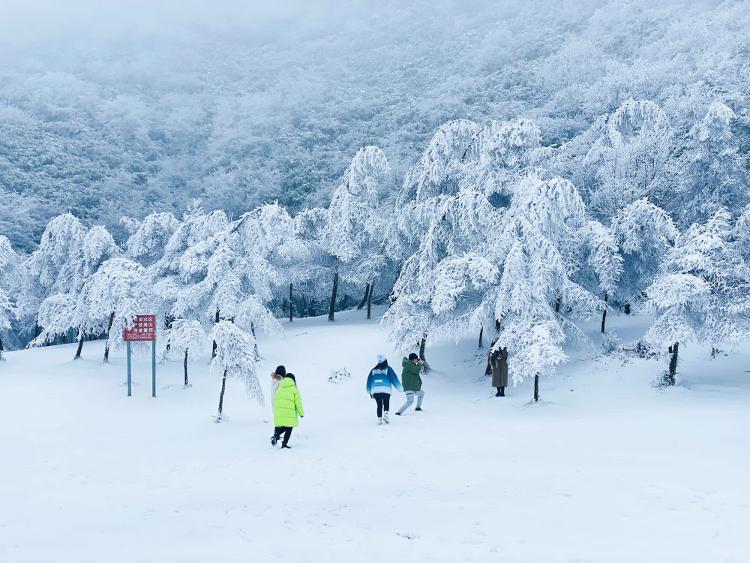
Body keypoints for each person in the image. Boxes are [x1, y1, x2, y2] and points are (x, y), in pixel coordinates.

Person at [366, 354, 402, 425]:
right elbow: (394, 378)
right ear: (385, 361)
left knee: (379, 404)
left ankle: (379, 420)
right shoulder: (388, 369)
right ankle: (385, 415)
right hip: (386, 388)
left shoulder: (373, 370)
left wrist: (369, 391)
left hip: (375, 390)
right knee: (386, 401)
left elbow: (369, 380)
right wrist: (400, 388)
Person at [272, 373, 304, 448]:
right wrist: (301, 413)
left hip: (279, 412)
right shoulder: (294, 389)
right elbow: (298, 403)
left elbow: (275, 400)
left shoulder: (280, 388)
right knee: (289, 427)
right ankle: (284, 443)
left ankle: (276, 435)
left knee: (283, 426)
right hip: (289, 412)